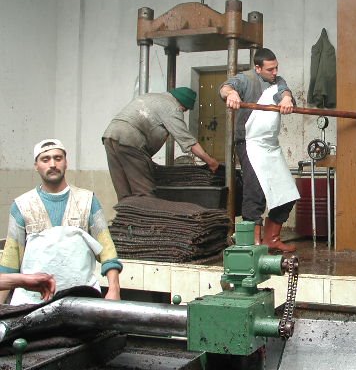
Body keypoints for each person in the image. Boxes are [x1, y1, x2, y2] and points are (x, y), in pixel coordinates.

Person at [0, 139, 122, 304]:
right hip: (32, 303)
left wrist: (114, 289)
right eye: (45, 159)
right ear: (36, 165)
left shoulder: (87, 200)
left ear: (66, 163)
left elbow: (107, 251)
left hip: (81, 299)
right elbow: (10, 261)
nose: (52, 164)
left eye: (58, 158)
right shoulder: (22, 206)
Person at [220, 48, 299, 252]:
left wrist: (287, 99)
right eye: (270, 69)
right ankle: (251, 242)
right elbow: (226, 88)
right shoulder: (245, 79)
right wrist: (232, 93)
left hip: (270, 146)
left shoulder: (278, 81)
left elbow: (285, 91)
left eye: (276, 68)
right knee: (254, 191)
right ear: (257, 68)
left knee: (287, 193)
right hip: (249, 143)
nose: (274, 72)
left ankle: (271, 238)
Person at [103, 87, 219, 201]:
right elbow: (187, 140)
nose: (183, 112)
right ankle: (146, 218)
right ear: (182, 105)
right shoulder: (172, 107)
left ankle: (126, 218)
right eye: (185, 110)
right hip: (130, 140)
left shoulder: (151, 97)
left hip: (110, 136)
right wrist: (210, 161)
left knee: (124, 191)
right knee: (144, 192)